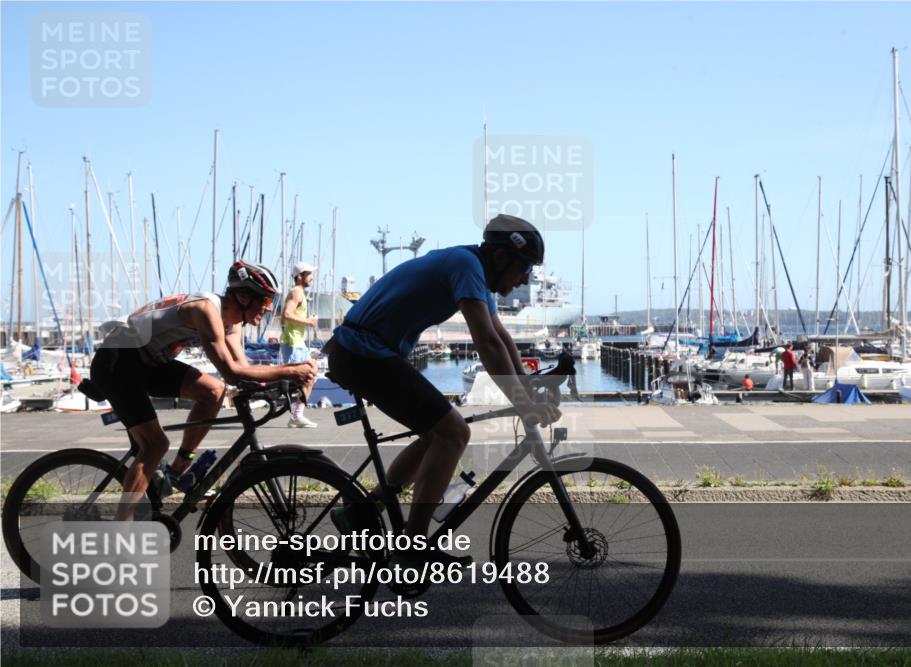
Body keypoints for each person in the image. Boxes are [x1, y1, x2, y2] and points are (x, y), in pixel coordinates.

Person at [324, 214, 561, 566]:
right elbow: (486, 343)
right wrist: (524, 404)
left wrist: (526, 391)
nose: (525, 277)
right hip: (363, 351)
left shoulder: (476, 272)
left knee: (437, 434)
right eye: (524, 267)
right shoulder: (466, 265)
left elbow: (502, 338)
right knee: (453, 432)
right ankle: (413, 548)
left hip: (370, 351)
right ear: (499, 257)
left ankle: (366, 509)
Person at [91, 261, 318, 520]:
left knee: (213, 391)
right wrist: (290, 371)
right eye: (265, 300)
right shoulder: (205, 310)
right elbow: (232, 372)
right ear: (243, 297)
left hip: (148, 362)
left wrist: (280, 383)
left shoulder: (233, 322)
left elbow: (243, 370)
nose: (268, 309)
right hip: (117, 360)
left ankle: (177, 470)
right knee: (155, 445)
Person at [281, 260, 320, 428]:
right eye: (309, 274)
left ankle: (297, 414)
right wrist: (308, 321)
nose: (311, 277)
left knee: (312, 375)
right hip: (292, 342)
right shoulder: (296, 292)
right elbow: (286, 315)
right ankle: (296, 415)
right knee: (308, 377)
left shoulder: (300, 293)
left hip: (297, 342)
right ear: (299, 276)